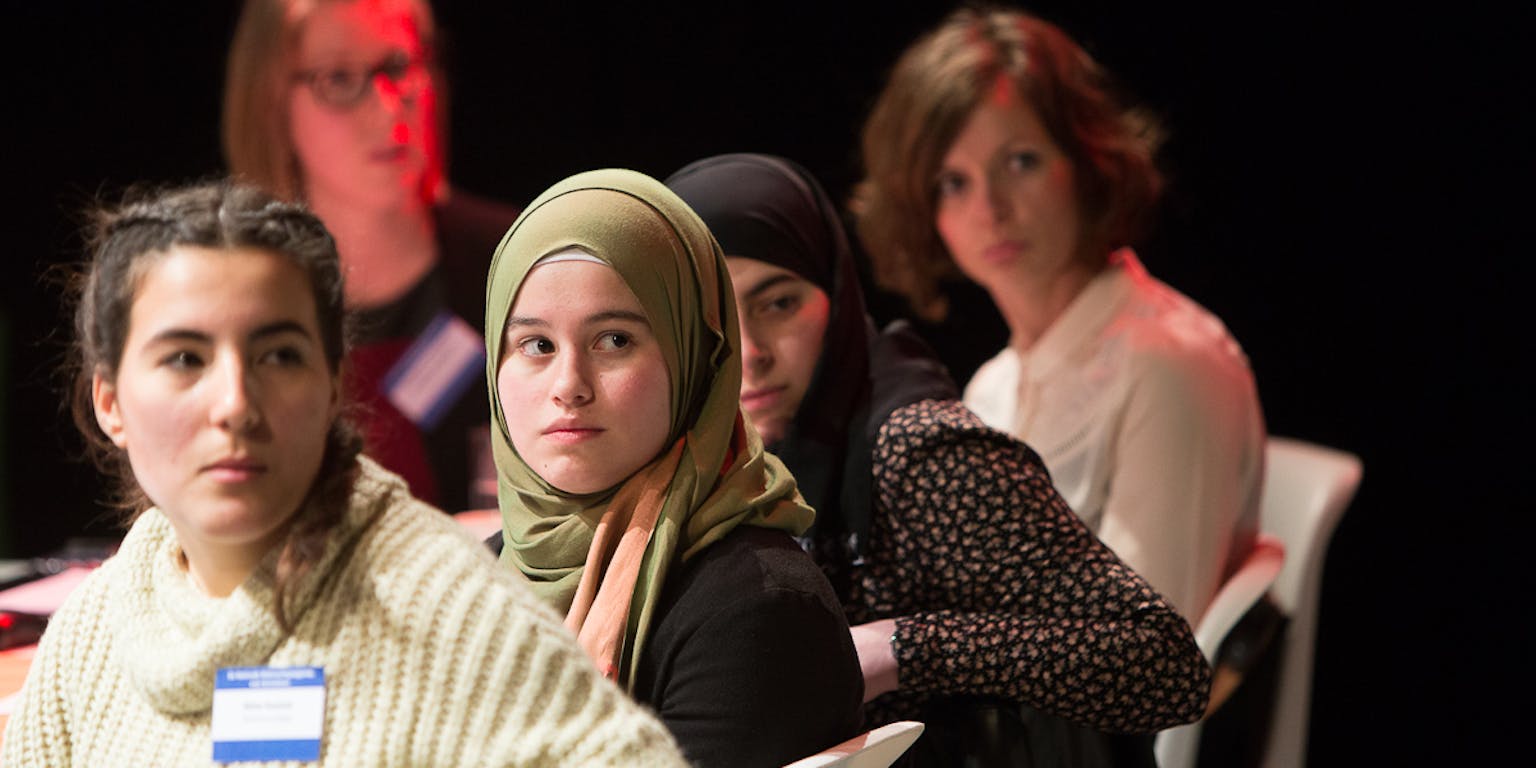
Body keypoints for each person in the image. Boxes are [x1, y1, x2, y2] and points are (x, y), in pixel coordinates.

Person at [0, 181, 687, 766]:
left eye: (279, 356)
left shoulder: (442, 608)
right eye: (185, 359)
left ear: (333, 385)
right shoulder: (94, 632)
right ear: (111, 402)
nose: (235, 404)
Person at [668, 153, 1211, 766]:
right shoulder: (706, 461)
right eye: (716, 322)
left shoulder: (919, 452)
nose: (753, 353)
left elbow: (1165, 665)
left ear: (836, 295)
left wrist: (903, 647)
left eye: (779, 304)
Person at [854, 7, 1265, 625]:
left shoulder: (1169, 365)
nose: (989, 209)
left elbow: (1150, 659)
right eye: (952, 182)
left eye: (1019, 162)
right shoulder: (992, 386)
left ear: (1088, 160)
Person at [486, 169, 864, 767]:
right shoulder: (473, 579)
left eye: (613, 340)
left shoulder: (758, 609)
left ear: (694, 357)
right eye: (536, 345)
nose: (568, 387)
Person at [224, 0, 517, 511]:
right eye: (339, 78)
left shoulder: (518, 260)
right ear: (270, 102)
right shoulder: (229, 297)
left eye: (401, 67)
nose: (388, 107)